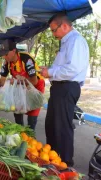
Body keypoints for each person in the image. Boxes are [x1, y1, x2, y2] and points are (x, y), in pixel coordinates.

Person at [40, 13, 89, 166]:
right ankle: (53, 157)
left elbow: (72, 69)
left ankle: (65, 163)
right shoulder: (67, 42)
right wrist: (49, 70)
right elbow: (63, 67)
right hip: (59, 88)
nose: (54, 34)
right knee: (52, 125)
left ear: (65, 26)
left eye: (54, 30)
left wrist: (51, 72)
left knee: (62, 126)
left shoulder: (76, 41)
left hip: (67, 87)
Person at [0, 39, 45, 130]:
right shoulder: (7, 63)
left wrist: (18, 81)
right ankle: (20, 132)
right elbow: (2, 79)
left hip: (35, 87)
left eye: (6, 54)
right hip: (20, 87)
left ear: (14, 51)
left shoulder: (26, 59)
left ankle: (31, 136)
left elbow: (34, 81)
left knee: (32, 116)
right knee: (17, 110)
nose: (4, 57)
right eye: (3, 54)